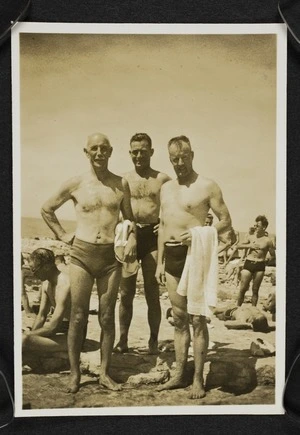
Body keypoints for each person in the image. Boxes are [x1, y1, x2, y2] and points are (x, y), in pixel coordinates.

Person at [41, 132, 136, 393]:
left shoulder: (120, 184)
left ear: (111, 151)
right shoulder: (76, 183)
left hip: (110, 257)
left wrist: (131, 239)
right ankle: (74, 374)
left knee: (107, 316)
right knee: (78, 315)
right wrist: (62, 235)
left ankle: (105, 373)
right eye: (94, 148)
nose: (99, 153)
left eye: (104, 148)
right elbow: (47, 208)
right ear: (86, 152)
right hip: (81, 255)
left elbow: (129, 220)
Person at [155, 135, 232, 399]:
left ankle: (198, 378)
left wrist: (201, 232)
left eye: (184, 157)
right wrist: (159, 262)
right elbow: (163, 226)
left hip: (195, 255)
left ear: (192, 155)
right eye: (174, 159)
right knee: (178, 319)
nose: (179, 163)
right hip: (172, 258)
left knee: (198, 319)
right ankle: (179, 375)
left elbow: (226, 221)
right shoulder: (165, 188)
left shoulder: (207, 186)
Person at [114, 133, 170, 355]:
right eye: (135, 151)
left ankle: (153, 342)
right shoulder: (122, 179)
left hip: (153, 239)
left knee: (152, 291)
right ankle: (123, 340)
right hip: (129, 236)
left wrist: (165, 224)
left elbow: (172, 205)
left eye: (143, 151)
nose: (139, 155)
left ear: (151, 152)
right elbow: (116, 209)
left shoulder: (162, 179)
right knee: (125, 293)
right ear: (130, 153)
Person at [22, 248, 71, 360]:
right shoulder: (46, 284)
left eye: (34, 270)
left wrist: (28, 335)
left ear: (47, 267)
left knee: (23, 340)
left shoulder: (65, 285)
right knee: (22, 338)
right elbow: (41, 316)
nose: (33, 274)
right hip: (59, 330)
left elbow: (53, 327)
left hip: (73, 335)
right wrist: (31, 333)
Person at [236, 215, 276, 307]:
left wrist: (267, 260)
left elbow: (273, 255)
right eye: (255, 225)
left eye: (257, 226)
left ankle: (253, 310)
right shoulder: (251, 237)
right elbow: (238, 245)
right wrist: (249, 246)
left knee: (255, 289)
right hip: (249, 263)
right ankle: (237, 308)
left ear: (264, 227)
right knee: (243, 288)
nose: (255, 227)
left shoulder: (268, 241)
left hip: (260, 266)